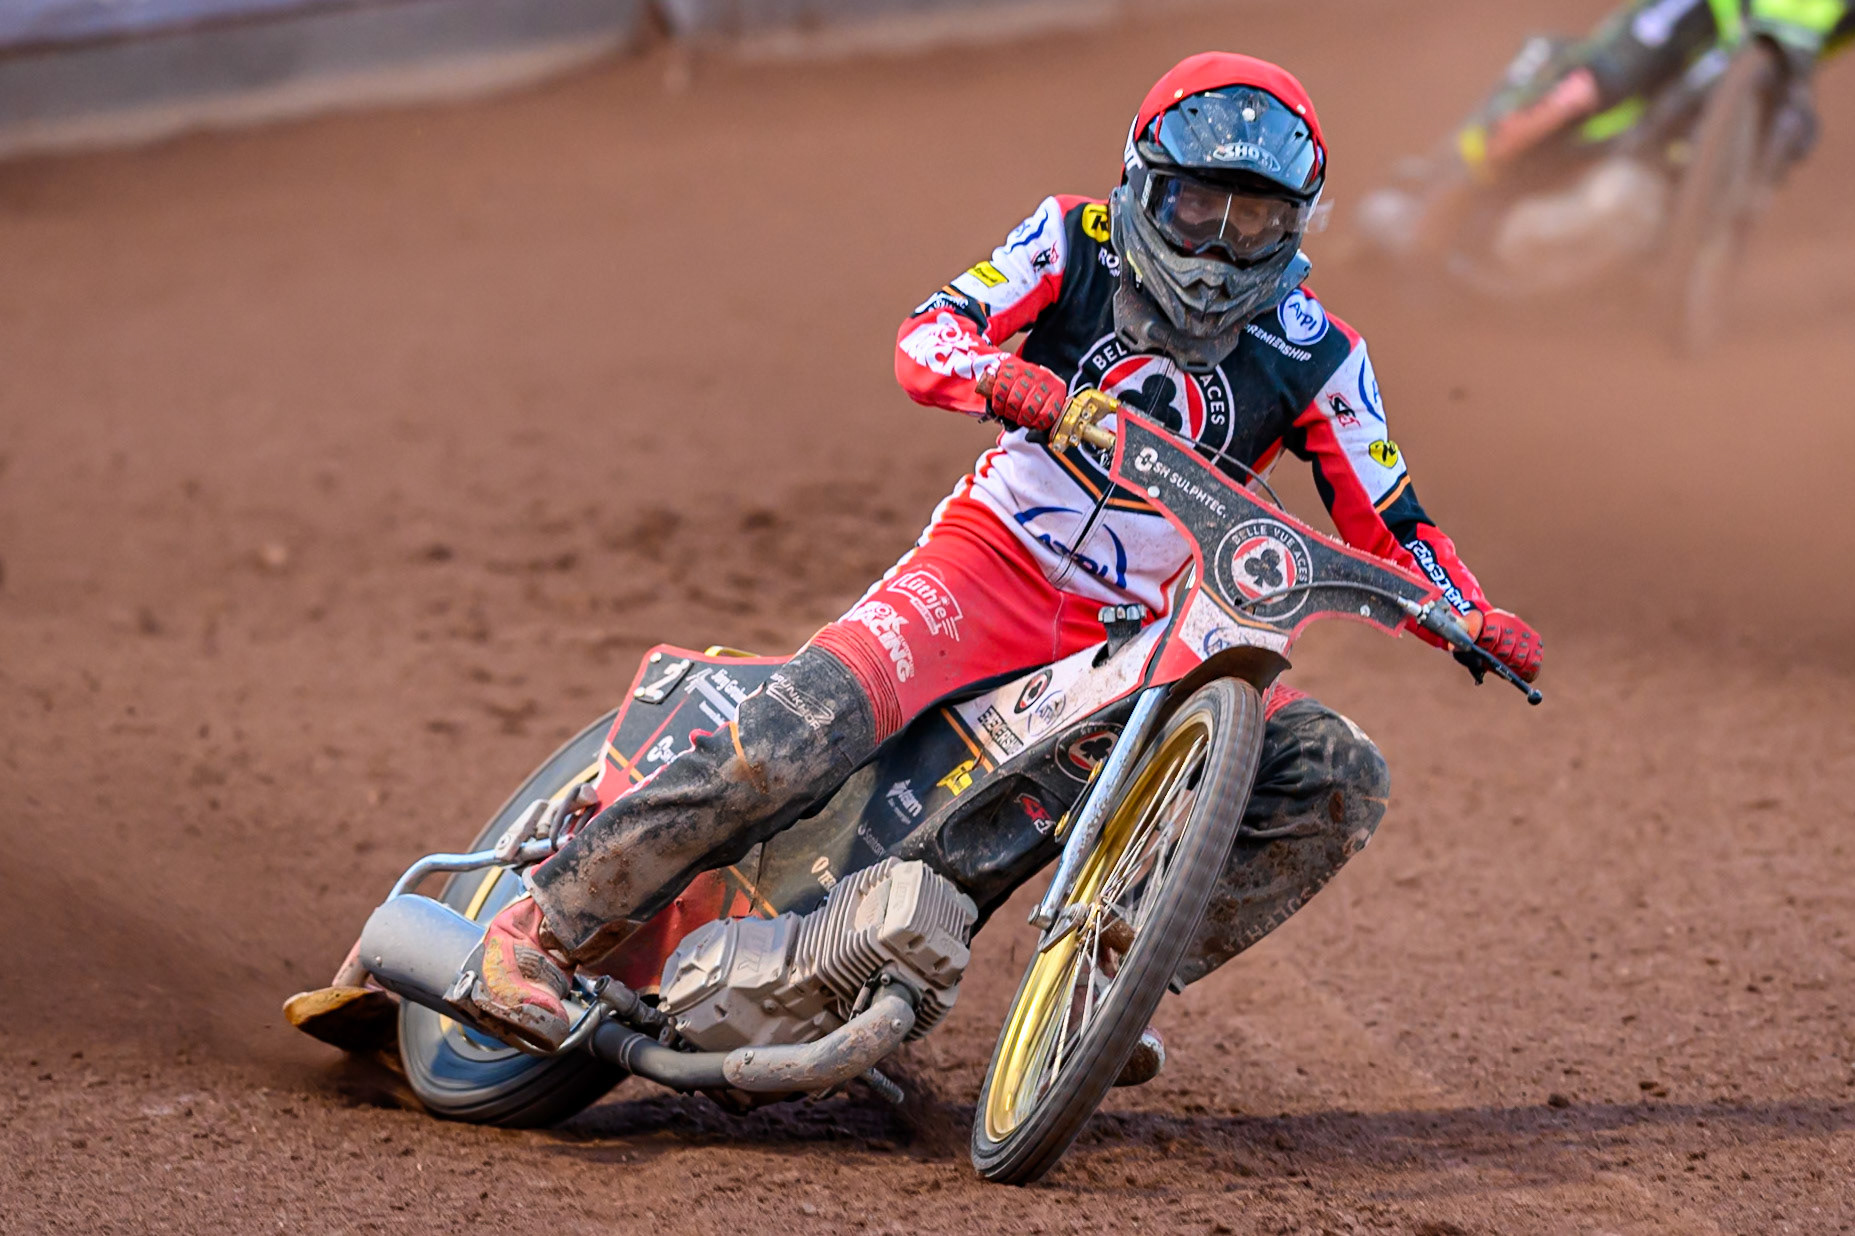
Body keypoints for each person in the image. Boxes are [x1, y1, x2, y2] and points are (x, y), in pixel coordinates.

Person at [458, 53, 1545, 1066]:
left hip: (1155, 630)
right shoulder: (1067, 239)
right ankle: (541, 928)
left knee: (1334, 774)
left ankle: (1104, 983)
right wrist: (1006, 380)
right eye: (1195, 205)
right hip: (990, 566)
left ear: (1296, 223)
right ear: (1143, 184)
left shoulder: (1319, 351)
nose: (1217, 244)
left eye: (1251, 216)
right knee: (800, 734)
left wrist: (1471, 614)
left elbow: (1394, 525)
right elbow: (927, 336)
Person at [1359, 0, 1852, 261]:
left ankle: (1693, 246)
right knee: (1588, 83)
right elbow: (1617, 63)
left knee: (1792, 128)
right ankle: (1443, 199)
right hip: (1631, 105)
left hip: (1744, 92)